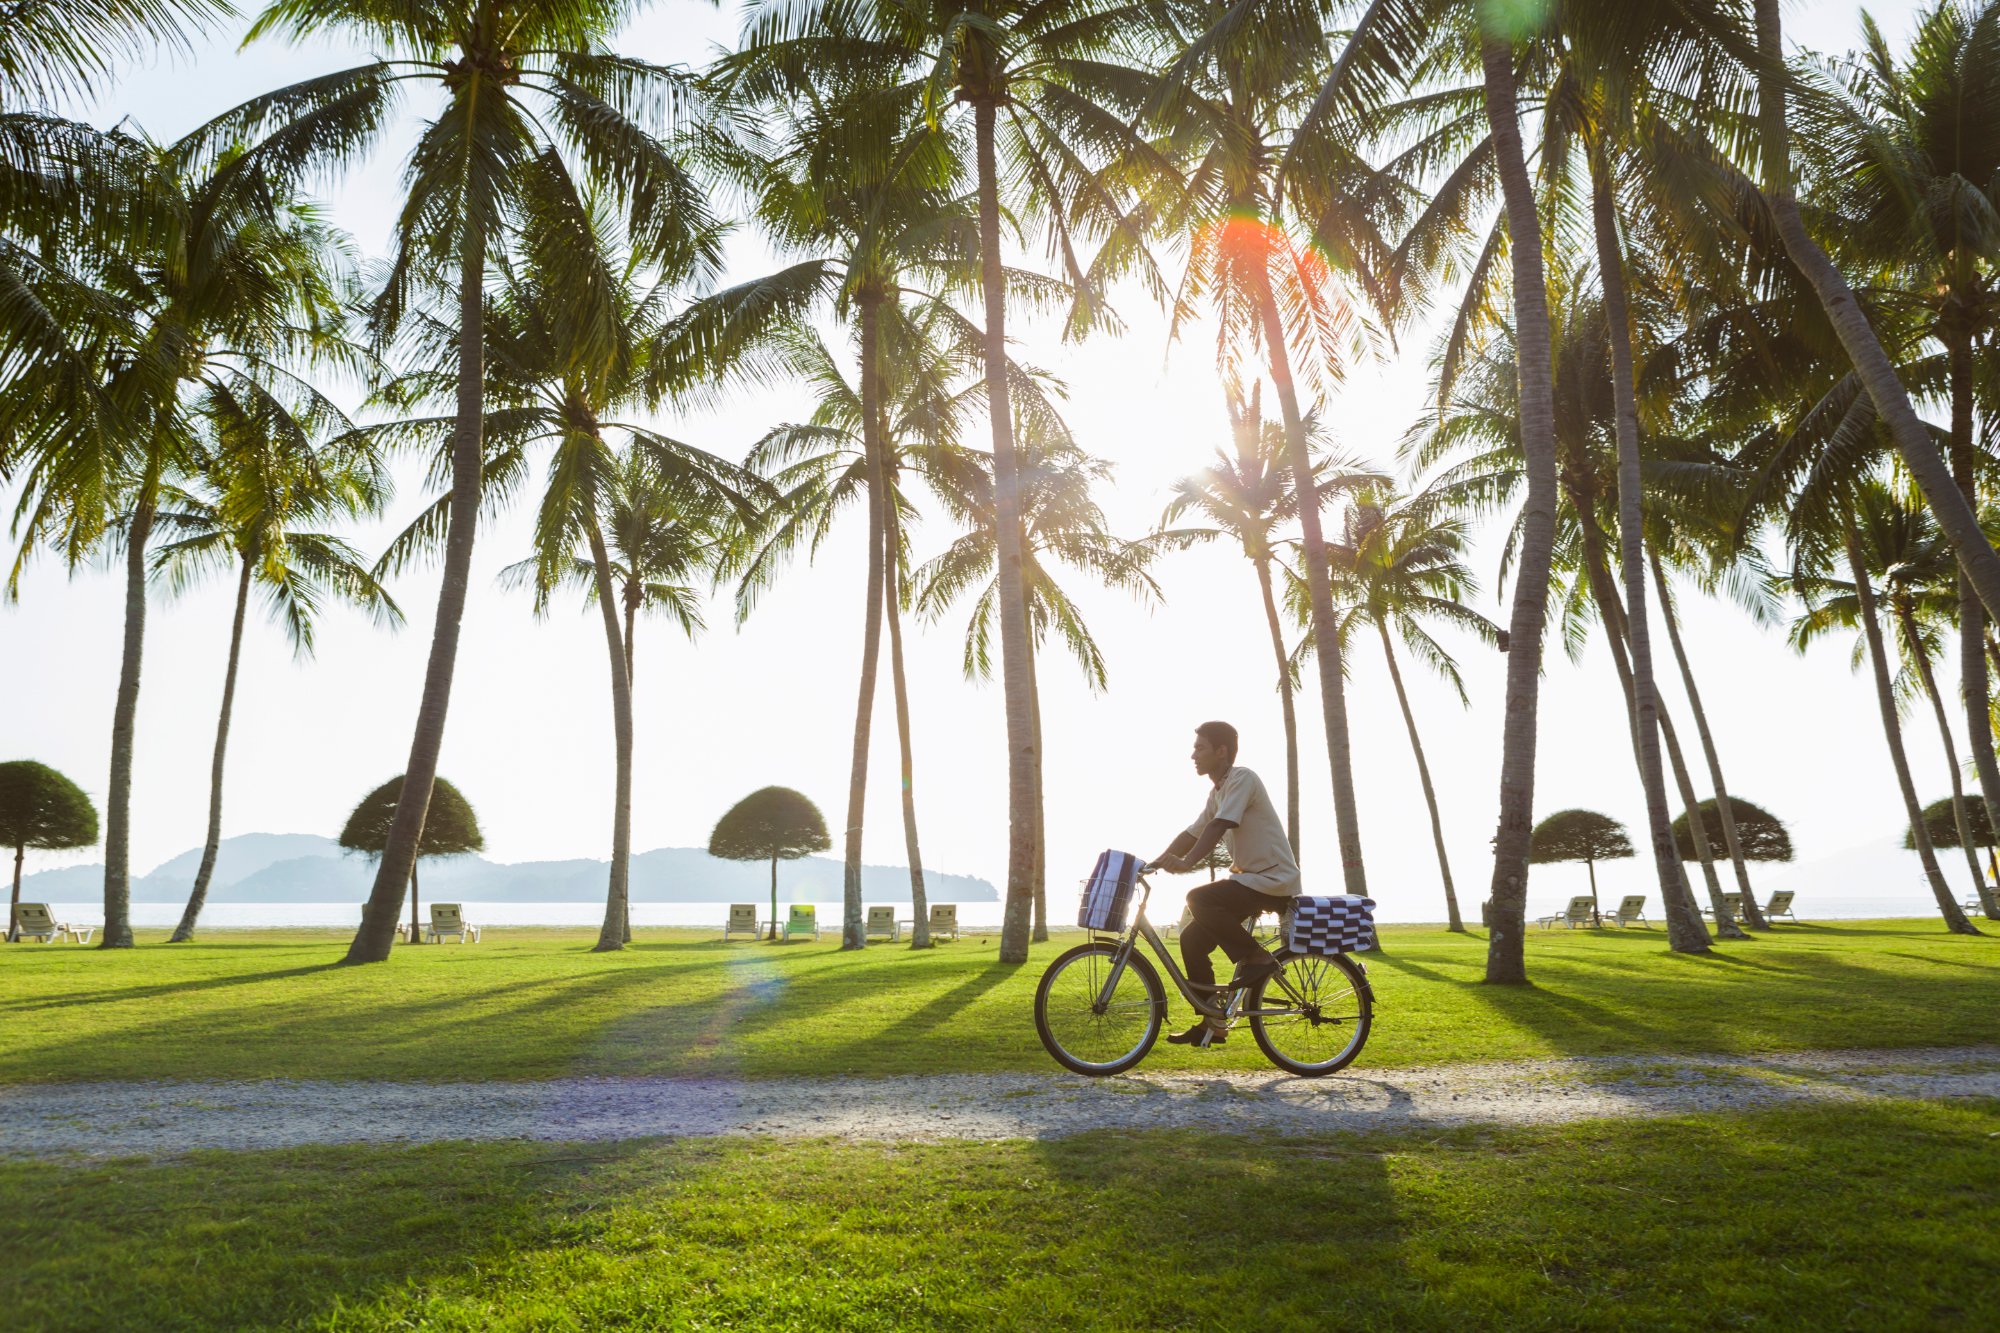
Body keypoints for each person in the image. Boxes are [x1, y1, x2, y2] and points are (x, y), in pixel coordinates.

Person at [1146, 720, 1300, 1047]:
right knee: (1191, 940)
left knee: (1198, 899)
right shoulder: (1218, 792)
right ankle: (1212, 1024)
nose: (1193, 755)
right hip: (1251, 881)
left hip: (1273, 880)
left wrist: (1187, 863)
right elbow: (1193, 832)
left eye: (1200, 748)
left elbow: (1218, 826)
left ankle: (1257, 958)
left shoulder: (1243, 778)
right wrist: (1155, 862)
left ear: (1221, 751)